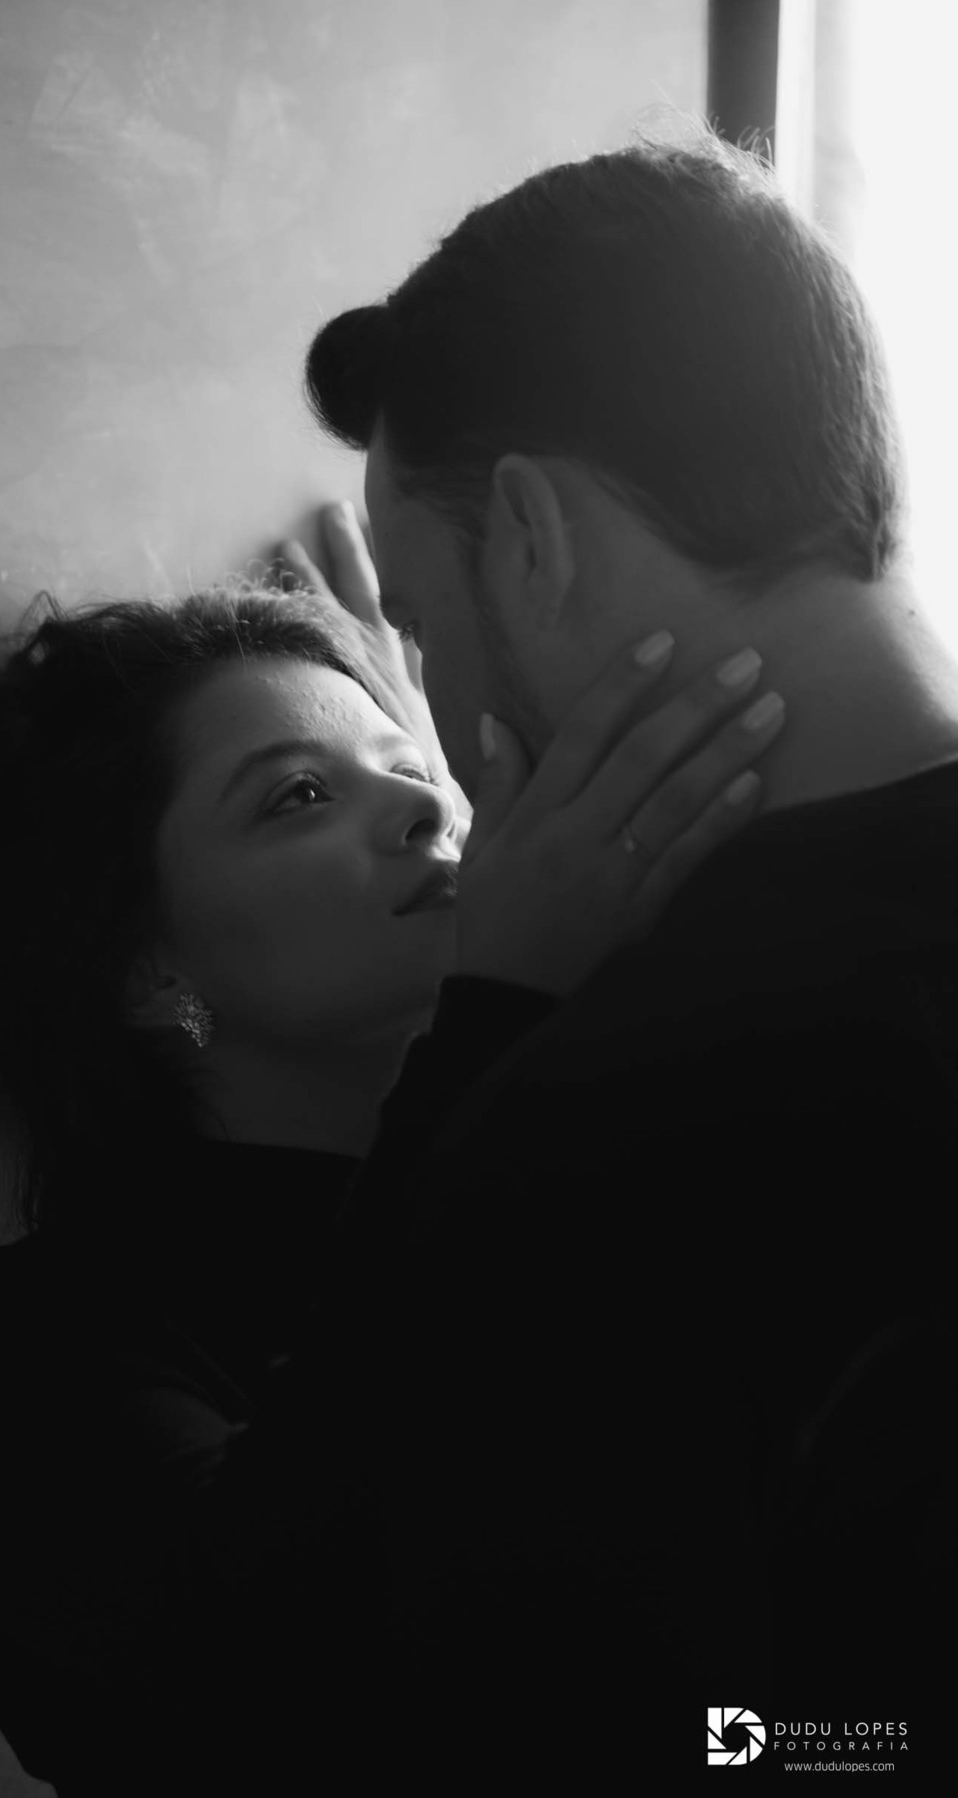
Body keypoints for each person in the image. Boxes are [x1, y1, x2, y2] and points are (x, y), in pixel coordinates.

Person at [0, 547, 783, 1794]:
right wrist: (501, 1012)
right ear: (142, 967)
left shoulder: (606, 1212)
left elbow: (799, 1719)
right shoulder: (21, 1352)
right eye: (298, 795)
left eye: (416, 774)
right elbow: (290, 1688)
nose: (433, 814)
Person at [293, 126, 957, 1767]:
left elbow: (671, 1743)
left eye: (419, 625)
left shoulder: (586, 1124)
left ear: (535, 535)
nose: (437, 725)